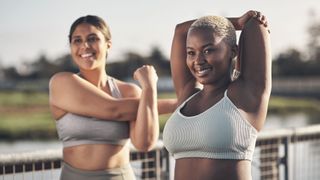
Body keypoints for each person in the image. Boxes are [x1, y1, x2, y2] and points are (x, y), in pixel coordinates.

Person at [49, 15, 176, 180]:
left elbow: (145, 143)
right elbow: (114, 109)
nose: (85, 46)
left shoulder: (129, 92)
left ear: (108, 44)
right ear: (70, 46)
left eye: (92, 39)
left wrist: (149, 87)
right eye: (77, 40)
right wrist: (177, 103)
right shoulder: (62, 82)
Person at [163, 10, 271, 180]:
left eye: (208, 50)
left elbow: (254, 24)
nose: (198, 60)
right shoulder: (188, 94)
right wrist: (235, 22)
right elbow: (181, 31)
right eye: (191, 52)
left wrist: (241, 23)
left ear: (233, 51)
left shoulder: (244, 95)